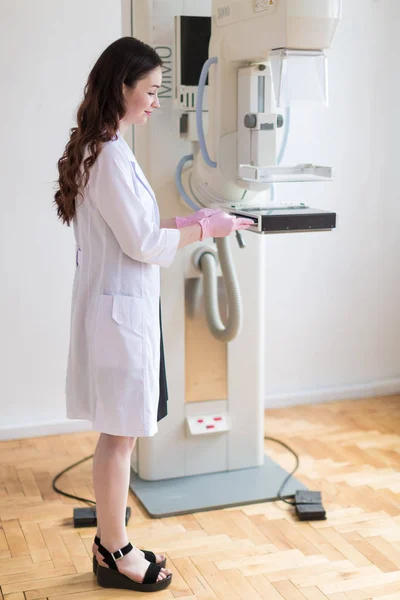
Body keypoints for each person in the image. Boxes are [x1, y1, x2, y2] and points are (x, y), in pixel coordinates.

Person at [54, 36, 252, 593]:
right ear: (122, 87)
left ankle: (109, 540)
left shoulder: (109, 147)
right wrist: (201, 228)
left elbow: (136, 228)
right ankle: (115, 550)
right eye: (151, 91)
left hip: (123, 309)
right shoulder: (110, 155)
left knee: (122, 434)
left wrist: (194, 220)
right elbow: (142, 240)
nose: (157, 102)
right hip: (120, 315)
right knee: (120, 438)